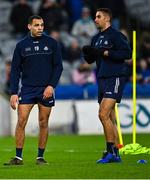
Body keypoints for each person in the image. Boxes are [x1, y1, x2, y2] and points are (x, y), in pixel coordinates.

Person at [4, 15, 63, 165]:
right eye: (36, 25)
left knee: (43, 122)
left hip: (45, 89)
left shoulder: (52, 43)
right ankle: (18, 157)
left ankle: (40, 157)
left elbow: (58, 67)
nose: (40, 28)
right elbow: (15, 71)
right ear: (29, 26)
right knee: (21, 121)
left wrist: (51, 86)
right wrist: (13, 92)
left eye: (42, 25)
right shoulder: (21, 45)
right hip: (27, 89)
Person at [82, 8, 132, 163]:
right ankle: (115, 153)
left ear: (107, 19)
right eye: (95, 16)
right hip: (102, 78)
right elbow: (91, 60)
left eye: (99, 17)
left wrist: (105, 53)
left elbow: (127, 54)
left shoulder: (116, 36)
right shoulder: (96, 38)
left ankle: (110, 151)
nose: (95, 19)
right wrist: (88, 54)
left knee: (102, 114)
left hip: (115, 77)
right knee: (109, 117)